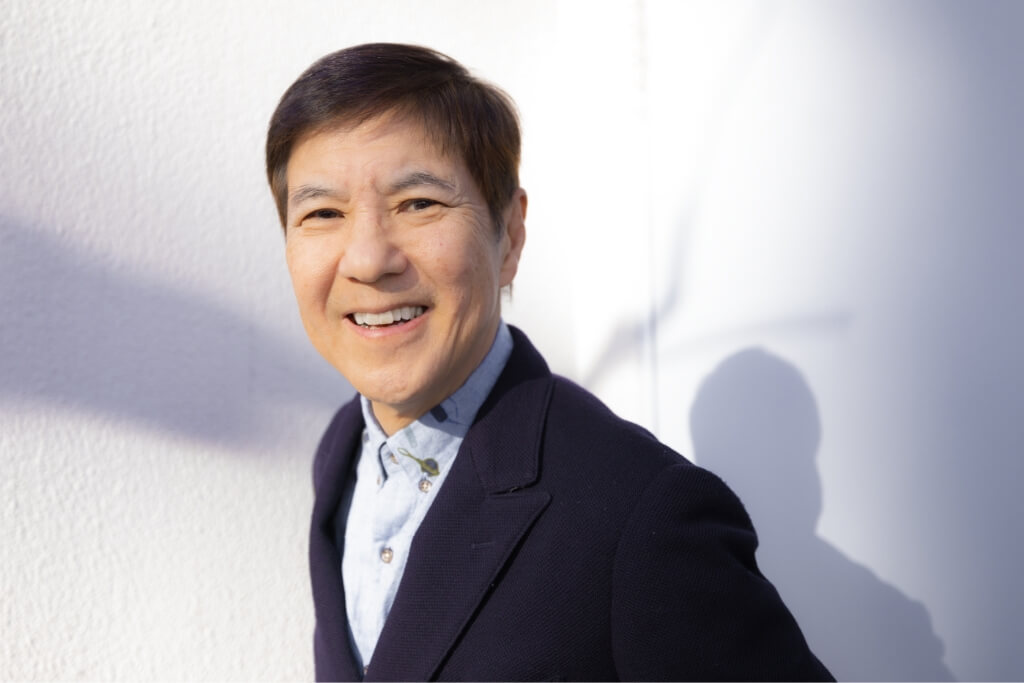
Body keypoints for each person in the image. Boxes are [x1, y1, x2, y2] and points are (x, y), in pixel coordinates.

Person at [266, 42, 832, 682]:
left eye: (418, 203)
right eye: (323, 213)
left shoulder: (639, 513)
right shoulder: (344, 447)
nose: (369, 260)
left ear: (509, 234)